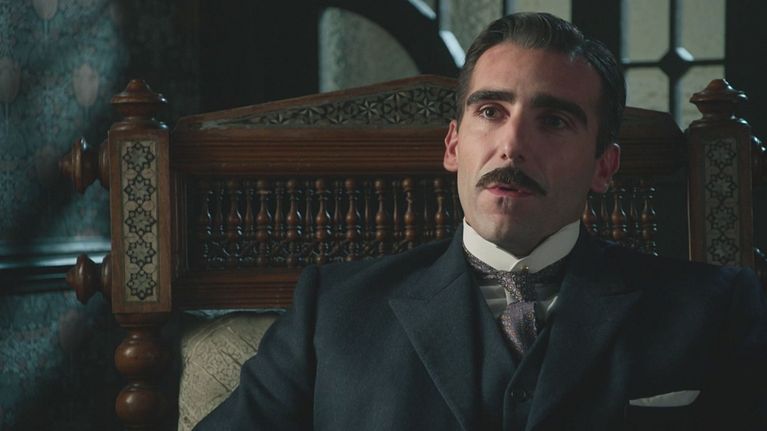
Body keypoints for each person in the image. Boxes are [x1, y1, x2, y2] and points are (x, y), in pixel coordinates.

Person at [195, 12, 767, 430]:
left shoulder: (715, 309)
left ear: (603, 166)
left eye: (554, 121)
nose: (512, 145)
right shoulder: (333, 310)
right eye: (490, 111)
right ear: (453, 145)